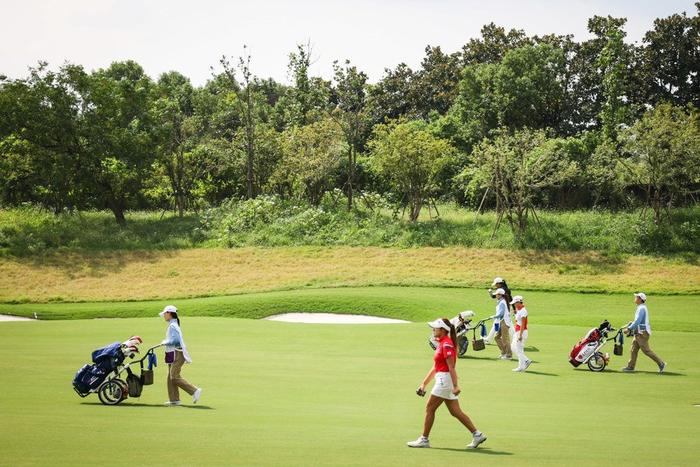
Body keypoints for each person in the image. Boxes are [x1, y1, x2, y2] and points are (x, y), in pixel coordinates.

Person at [407, 318, 487, 450]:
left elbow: (451, 367)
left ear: (443, 330)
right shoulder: (441, 343)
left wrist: (456, 385)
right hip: (443, 379)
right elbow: (435, 367)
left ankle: (424, 439)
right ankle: (477, 434)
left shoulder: (447, 345)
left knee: (430, 408)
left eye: (435, 328)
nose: (433, 330)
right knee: (455, 412)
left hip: (445, 381)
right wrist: (423, 384)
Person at [160, 305, 203, 406]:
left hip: (177, 353)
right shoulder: (172, 324)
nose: (163, 316)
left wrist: (165, 342)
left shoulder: (173, 326)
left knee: (174, 377)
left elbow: (175, 340)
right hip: (172, 353)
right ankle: (174, 400)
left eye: (164, 314)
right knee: (170, 377)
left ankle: (194, 390)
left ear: (169, 313)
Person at [621, 293, 667, 373]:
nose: (635, 298)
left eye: (636, 297)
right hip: (639, 332)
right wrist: (631, 324)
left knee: (646, 351)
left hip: (642, 333)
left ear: (640, 299)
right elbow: (638, 321)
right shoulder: (641, 307)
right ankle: (630, 367)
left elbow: (638, 321)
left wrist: (629, 328)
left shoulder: (641, 308)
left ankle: (661, 363)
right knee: (633, 349)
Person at [509, 296, 532, 372]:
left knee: (519, 350)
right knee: (513, 347)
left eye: (515, 303)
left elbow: (523, 324)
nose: (514, 305)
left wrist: (520, 335)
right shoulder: (519, 310)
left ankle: (521, 367)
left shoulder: (523, 311)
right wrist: (515, 313)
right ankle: (526, 360)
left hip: (521, 332)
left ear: (519, 302)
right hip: (517, 332)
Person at [490, 288, 513, 360]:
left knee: (505, 339)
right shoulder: (500, 301)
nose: (496, 295)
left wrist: (494, 316)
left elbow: (501, 313)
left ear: (500, 295)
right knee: (496, 337)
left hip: (504, 322)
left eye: (496, 294)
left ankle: (508, 355)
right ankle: (503, 352)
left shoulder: (502, 302)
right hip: (501, 321)